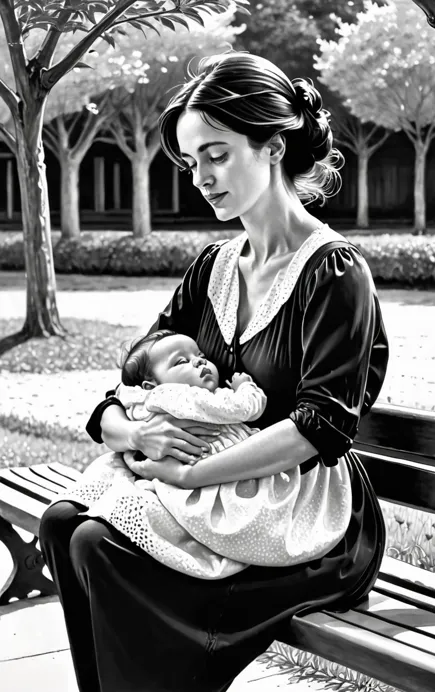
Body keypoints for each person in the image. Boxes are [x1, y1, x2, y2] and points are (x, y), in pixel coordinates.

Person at [39, 51, 389, 692]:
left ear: (274, 146)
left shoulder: (336, 274)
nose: (200, 176)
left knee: (98, 546)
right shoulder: (214, 267)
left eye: (217, 154)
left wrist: (190, 471)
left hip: (305, 514)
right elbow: (129, 381)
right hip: (211, 497)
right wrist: (137, 436)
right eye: (190, 160)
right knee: (63, 524)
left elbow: (321, 431)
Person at [60, 328, 352, 579]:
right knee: (70, 526)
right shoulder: (194, 398)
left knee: (78, 529)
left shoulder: (143, 396)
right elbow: (244, 408)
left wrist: (136, 434)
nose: (199, 362)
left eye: (199, 355)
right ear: (152, 383)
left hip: (203, 469)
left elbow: (119, 395)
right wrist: (246, 387)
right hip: (211, 469)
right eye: (182, 362)